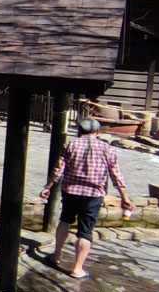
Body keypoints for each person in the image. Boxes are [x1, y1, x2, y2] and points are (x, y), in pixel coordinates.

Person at [40, 116, 131, 279]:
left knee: (65, 220)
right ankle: (77, 268)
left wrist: (48, 187)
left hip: (71, 192)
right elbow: (115, 174)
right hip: (93, 195)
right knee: (85, 231)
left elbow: (58, 170)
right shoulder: (107, 149)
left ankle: (56, 255)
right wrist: (124, 197)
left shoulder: (70, 145)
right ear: (97, 132)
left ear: (79, 131)